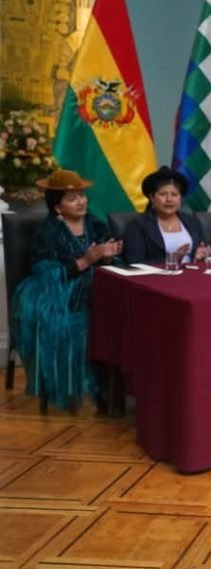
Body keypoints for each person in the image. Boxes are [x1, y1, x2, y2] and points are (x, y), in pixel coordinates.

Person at [12, 169, 122, 412]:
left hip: (96, 282)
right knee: (67, 319)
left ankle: (117, 389)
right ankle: (72, 387)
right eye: (72, 198)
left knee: (121, 309)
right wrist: (87, 260)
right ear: (58, 207)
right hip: (55, 289)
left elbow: (108, 260)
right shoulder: (48, 231)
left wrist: (108, 256)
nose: (81, 201)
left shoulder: (95, 223)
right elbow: (46, 273)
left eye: (82, 196)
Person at [123, 165, 208, 264]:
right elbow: (135, 263)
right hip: (157, 277)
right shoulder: (139, 225)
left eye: (174, 195)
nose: (169, 199)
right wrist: (172, 260)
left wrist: (200, 257)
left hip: (192, 275)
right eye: (163, 194)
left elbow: (203, 249)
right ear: (152, 198)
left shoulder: (192, 221)